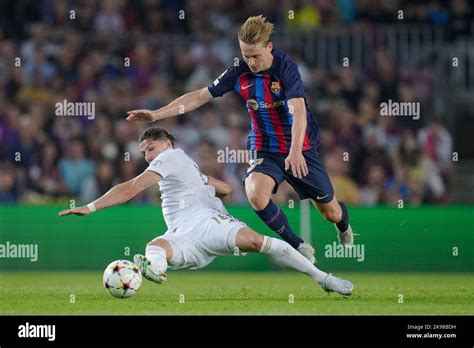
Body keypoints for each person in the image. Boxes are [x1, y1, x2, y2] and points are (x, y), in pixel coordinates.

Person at [126, 15, 356, 264]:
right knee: (256, 194)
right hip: (264, 148)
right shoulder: (238, 73)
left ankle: (343, 222)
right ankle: (297, 244)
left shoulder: (286, 69)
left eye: (255, 55)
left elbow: (298, 111)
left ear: (269, 46)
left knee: (330, 212)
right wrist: (155, 114)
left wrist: (296, 150)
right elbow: (198, 97)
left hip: (300, 148)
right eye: (246, 55)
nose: (251, 62)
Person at [58, 127, 353, 296]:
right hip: (183, 235)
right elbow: (225, 188)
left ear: (167, 144)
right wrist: (206, 183)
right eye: (144, 152)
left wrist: (91, 206)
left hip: (208, 223)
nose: (148, 156)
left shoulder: (171, 156)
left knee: (256, 242)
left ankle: (324, 279)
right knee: (156, 245)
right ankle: (153, 269)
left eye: (151, 148)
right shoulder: (180, 165)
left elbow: (130, 188)